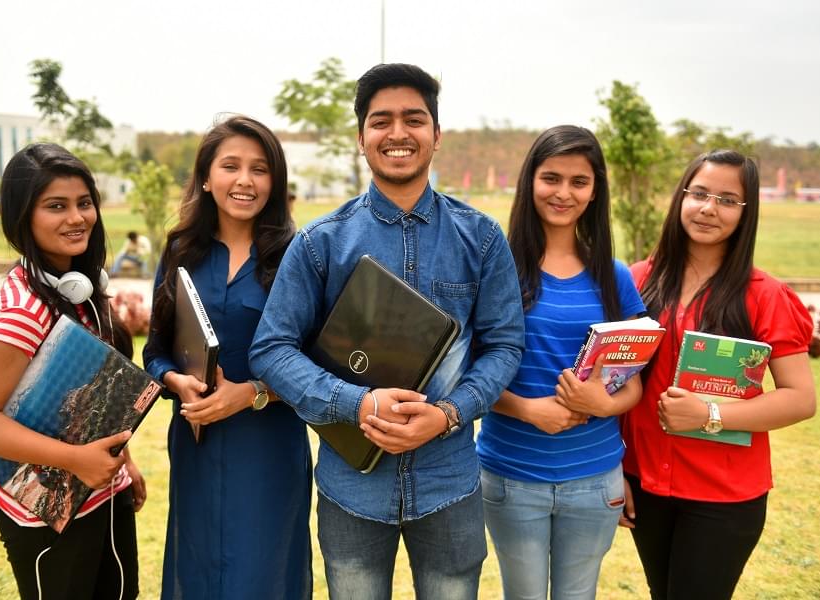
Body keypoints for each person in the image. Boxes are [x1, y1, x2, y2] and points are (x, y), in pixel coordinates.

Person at [249, 63, 525, 599]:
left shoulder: (482, 238)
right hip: (351, 487)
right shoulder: (320, 243)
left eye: (414, 119)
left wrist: (448, 414)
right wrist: (357, 403)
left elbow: (504, 344)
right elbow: (272, 349)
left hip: (450, 483)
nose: (398, 133)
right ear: (361, 138)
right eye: (381, 121)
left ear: (436, 135)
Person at [621, 150, 817, 600]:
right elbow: (616, 381)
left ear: (746, 215)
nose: (709, 208)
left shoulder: (765, 296)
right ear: (681, 198)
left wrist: (710, 413)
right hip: (645, 482)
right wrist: (615, 469)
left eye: (728, 200)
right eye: (700, 194)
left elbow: (800, 398)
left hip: (723, 496)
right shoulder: (636, 281)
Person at [0, 142, 144, 600]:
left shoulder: (79, 286)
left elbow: (95, 394)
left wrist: (125, 464)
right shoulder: (21, 310)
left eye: (84, 203)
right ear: (24, 216)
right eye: (55, 206)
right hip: (45, 515)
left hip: (102, 493)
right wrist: (77, 460)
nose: (76, 218)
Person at [142, 115, 312, 599]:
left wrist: (252, 394)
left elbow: (318, 367)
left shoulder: (297, 255)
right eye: (231, 166)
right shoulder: (180, 250)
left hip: (268, 445)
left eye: (260, 169)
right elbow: (154, 351)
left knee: (262, 572)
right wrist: (175, 381)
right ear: (206, 177)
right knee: (197, 568)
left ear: (275, 181)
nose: (245, 180)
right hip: (196, 441)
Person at [475, 126, 645, 600]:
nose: (563, 193)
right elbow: (469, 373)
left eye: (579, 181)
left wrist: (604, 403)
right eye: (551, 178)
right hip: (512, 475)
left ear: (595, 191)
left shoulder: (613, 276)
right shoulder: (496, 267)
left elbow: (634, 383)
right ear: (530, 181)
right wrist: (529, 410)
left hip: (595, 480)